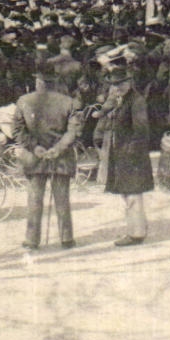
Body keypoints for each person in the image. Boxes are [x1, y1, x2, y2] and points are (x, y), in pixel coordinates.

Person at [13, 67, 82, 251]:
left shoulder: (24, 101)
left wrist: (35, 147)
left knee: (34, 199)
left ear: (38, 82)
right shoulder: (70, 102)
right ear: (56, 82)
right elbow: (74, 131)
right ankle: (66, 238)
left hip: (35, 156)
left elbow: (18, 131)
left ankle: (32, 240)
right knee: (62, 198)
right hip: (62, 157)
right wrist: (58, 148)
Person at [95, 59, 152, 246]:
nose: (116, 88)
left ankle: (136, 234)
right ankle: (138, 228)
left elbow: (141, 130)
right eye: (113, 85)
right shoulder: (121, 100)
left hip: (132, 155)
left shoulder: (137, 101)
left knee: (133, 193)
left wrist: (131, 152)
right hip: (123, 154)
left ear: (129, 83)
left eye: (120, 84)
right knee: (128, 193)